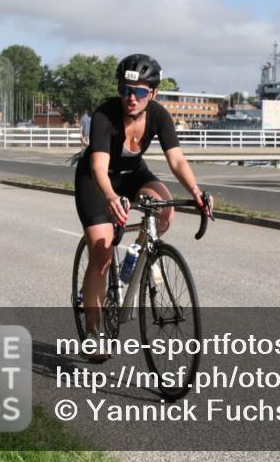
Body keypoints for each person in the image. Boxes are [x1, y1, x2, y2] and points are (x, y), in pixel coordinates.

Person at [74, 54, 210, 360]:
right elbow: (98, 166)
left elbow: (176, 160)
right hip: (97, 180)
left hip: (133, 174)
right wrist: (110, 197)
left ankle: (135, 263)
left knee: (164, 210)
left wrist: (196, 192)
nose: (130, 98)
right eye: (125, 90)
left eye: (139, 92)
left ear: (154, 93)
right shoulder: (105, 116)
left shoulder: (159, 115)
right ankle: (94, 330)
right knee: (102, 250)